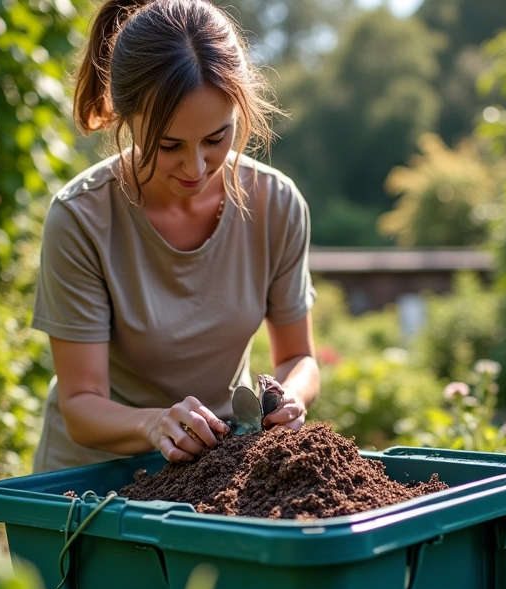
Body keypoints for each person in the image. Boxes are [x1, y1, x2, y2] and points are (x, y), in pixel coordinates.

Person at [31, 0, 319, 472]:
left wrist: (290, 397)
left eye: (215, 139)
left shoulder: (277, 204)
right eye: (169, 146)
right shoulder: (81, 217)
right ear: (127, 119)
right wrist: (154, 425)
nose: (196, 167)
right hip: (91, 487)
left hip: (215, 476)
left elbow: (299, 357)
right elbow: (81, 404)